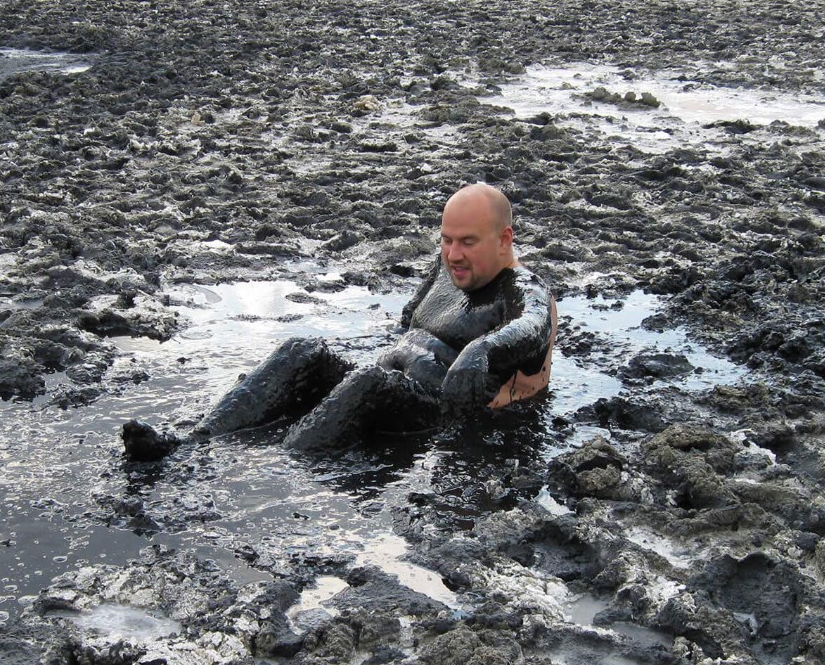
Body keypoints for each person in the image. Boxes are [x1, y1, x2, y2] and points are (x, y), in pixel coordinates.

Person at [121, 183, 557, 459]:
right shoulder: (449, 268)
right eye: (445, 240)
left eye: (467, 242)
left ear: (503, 240)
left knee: (371, 382)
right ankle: (193, 443)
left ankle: (283, 465)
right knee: (303, 350)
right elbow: (409, 322)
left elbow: (533, 326)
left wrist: (481, 348)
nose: (453, 254)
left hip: (434, 407)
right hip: (384, 377)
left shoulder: (521, 288)